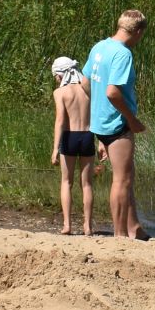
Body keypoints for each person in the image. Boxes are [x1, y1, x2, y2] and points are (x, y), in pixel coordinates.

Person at [85, 9, 146, 240]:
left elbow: (85, 82)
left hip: (100, 122)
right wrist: (132, 120)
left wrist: (98, 115)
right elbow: (112, 92)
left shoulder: (99, 47)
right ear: (138, 32)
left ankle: (134, 229)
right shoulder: (123, 54)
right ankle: (120, 235)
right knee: (122, 180)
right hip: (117, 124)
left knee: (126, 175)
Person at [48, 56, 97, 236]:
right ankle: (88, 227)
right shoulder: (88, 90)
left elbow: (60, 120)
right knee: (87, 184)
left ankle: (67, 225)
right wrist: (100, 142)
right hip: (87, 135)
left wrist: (55, 148)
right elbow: (96, 116)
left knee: (66, 182)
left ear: (60, 75)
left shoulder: (60, 93)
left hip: (69, 137)